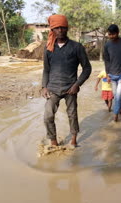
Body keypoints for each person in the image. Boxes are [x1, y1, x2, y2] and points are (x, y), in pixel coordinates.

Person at [41, 14, 92, 147]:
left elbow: (87, 68)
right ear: (52, 30)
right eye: (56, 28)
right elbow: (46, 70)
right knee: (48, 116)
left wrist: (77, 84)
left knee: (72, 114)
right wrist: (43, 87)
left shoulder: (77, 47)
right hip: (53, 88)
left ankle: (73, 140)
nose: (60, 30)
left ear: (67, 29)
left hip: (70, 88)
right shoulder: (48, 49)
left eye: (63, 28)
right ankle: (53, 141)